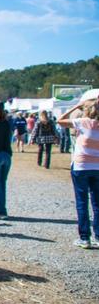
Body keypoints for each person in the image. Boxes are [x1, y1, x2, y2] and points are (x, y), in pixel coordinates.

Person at [58, 99, 99, 249]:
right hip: (97, 166)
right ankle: (98, 236)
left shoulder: (83, 122)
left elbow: (60, 120)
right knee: (97, 203)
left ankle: (84, 237)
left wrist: (75, 106)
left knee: (82, 202)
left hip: (81, 165)